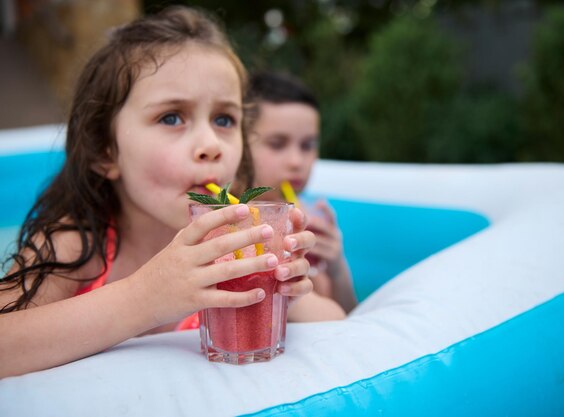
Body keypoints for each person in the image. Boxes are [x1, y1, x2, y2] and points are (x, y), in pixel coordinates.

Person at [0, 7, 345, 379]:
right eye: (171, 117)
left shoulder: (236, 248)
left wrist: (284, 294)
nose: (211, 144)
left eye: (224, 120)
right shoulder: (76, 244)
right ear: (105, 150)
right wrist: (147, 297)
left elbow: (340, 326)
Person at [244, 71, 357, 313]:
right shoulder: (233, 223)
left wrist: (337, 267)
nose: (297, 161)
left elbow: (351, 316)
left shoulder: (314, 217)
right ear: (240, 145)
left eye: (307, 146)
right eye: (277, 144)